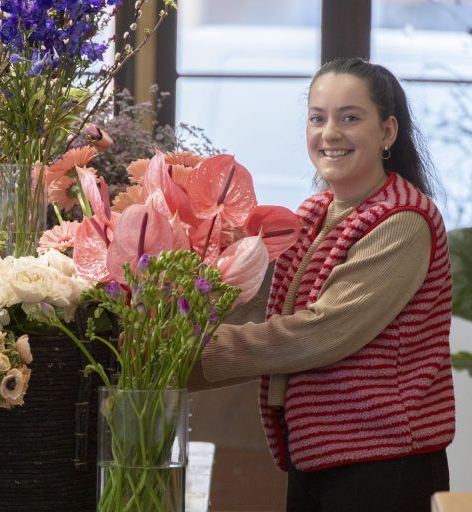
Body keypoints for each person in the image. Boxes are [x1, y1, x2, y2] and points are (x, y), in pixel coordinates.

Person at [191, 57, 455, 512]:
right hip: (319, 453)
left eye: (350, 118)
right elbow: (265, 305)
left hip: (383, 460)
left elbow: (320, 332)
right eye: (318, 118)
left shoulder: (403, 220)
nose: (329, 133)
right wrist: (165, 336)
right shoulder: (314, 213)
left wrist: (194, 356)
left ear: (388, 131)